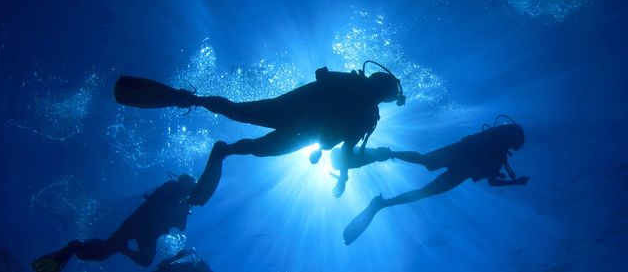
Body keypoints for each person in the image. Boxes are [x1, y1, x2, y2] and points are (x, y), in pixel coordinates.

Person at [114, 61, 406, 204]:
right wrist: (342, 176)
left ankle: (222, 146)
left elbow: (345, 148)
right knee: (242, 117)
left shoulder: (367, 115)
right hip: (297, 118)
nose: (380, 94)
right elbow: (345, 148)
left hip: (302, 129)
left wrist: (342, 176)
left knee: (257, 144)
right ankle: (192, 101)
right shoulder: (361, 100)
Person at [340, 117, 531, 245]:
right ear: (514, 140)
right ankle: (382, 202)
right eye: (516, 145)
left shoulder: (496, 146)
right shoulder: (499, 152)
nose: (514, 147)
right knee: (425, 188)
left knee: (424, 164)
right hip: (462, 166)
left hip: (459, 154)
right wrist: (515, 182)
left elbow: (491, 180)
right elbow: (493, 182)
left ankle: (389, 156)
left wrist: (513, 181)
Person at [32, 174, 197, 272]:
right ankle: (73, 248)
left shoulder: (175, 195)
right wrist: (184, 208)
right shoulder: (175, 195)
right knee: (106, 252)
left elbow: (177, 223)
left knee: (139, 259)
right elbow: (179, 224)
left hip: (143, 229)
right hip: (140, 226)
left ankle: (80, 248)